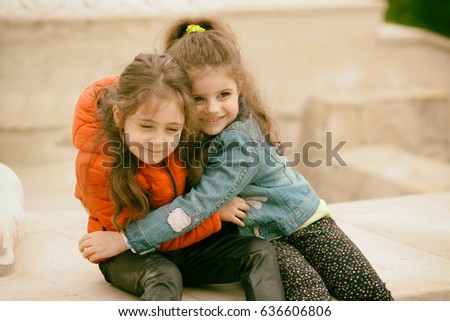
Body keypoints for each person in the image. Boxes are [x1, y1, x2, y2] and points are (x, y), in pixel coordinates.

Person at [79, 17, 394, 301]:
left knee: (362, 288)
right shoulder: (177, 129)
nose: (212, 109)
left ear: (239, 88)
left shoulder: (239, 141)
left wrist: (127, 240)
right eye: (198, 99)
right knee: (307, 292)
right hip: (259, 236)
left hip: (302, 222)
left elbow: (198, 204)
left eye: (223, 95)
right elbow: (143, 89)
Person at [73, 52, 285, 301]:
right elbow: (145, 236)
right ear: (120, 116)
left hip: (184, 245)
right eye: (146, 126)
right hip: (127, 252)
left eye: (172, 129)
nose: (159, 141)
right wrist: (213, 216)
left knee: (258, 251)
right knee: (165, 275)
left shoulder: (186, 142)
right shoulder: (98, 165)